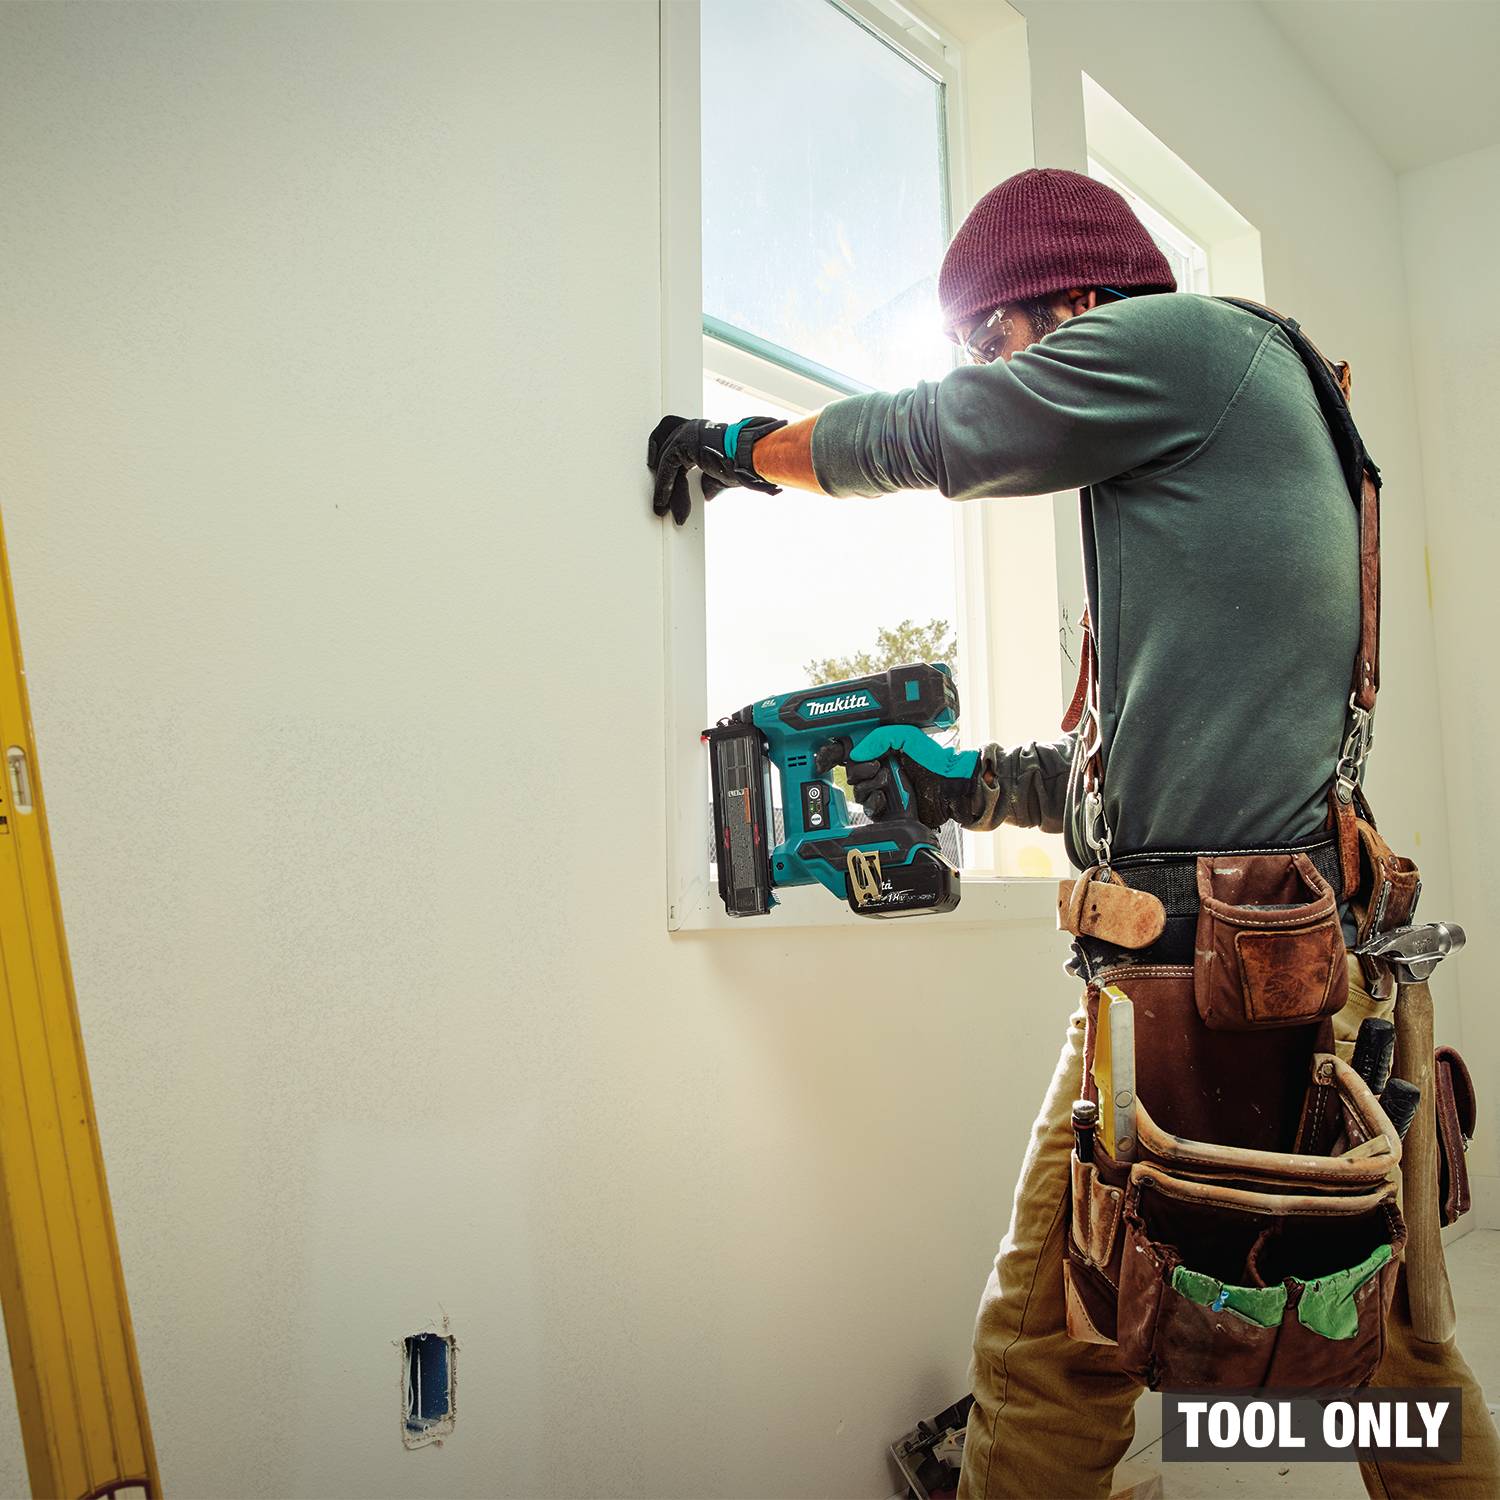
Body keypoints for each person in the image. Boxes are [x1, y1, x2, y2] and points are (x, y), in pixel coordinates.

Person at [648, 167, 1498, 1499]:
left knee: (1050, 1358)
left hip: (1206, 980)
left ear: (1076, 300)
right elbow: (1147, 787)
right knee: (1387, 1361)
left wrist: (748, 449)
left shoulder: (1188, 342)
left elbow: (940, 435)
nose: (996, 375)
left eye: (993, 341)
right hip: (1282, 955)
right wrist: (966, 786)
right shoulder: (1214, 446)